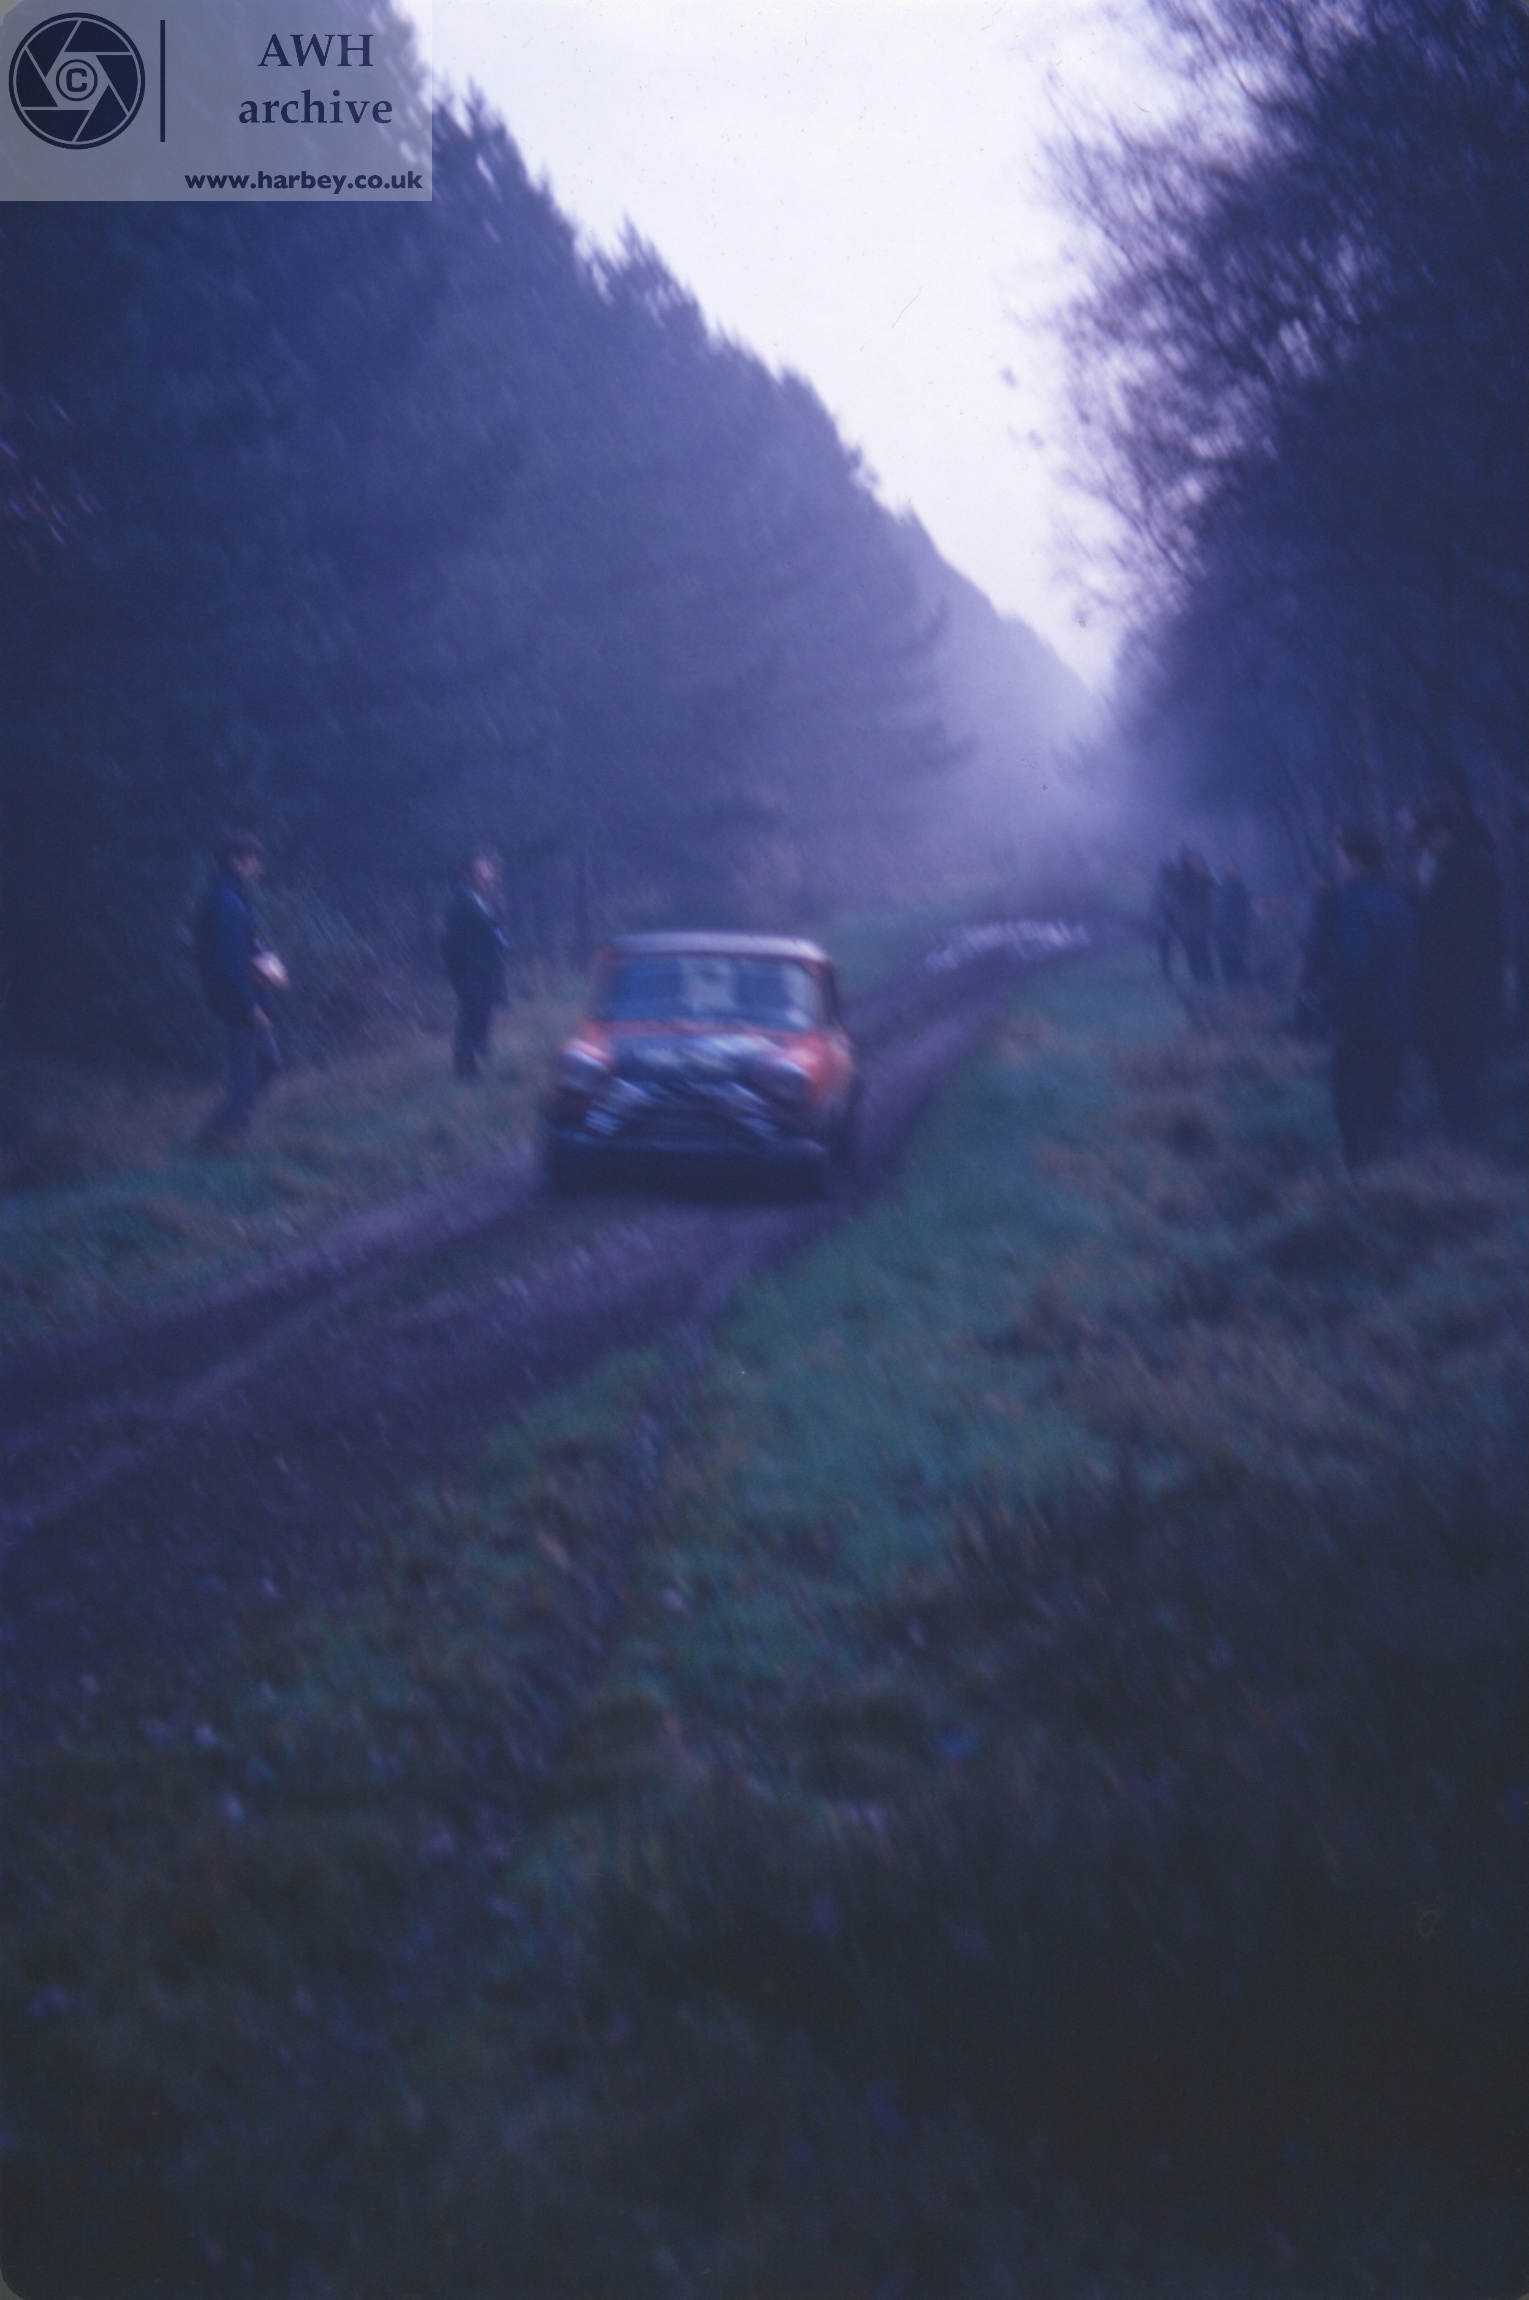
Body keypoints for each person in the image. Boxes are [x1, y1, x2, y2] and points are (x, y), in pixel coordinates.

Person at [1415, 798, 1505, 1145]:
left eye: (1430, 834)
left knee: (1457, 1069)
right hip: (1455, 987)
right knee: (1452, 1067)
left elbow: (1461, 932)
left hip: (1459, 989)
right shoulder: (1460, 865)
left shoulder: (1467, 868)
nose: (1428, 843)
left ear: (1443, 831)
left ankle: (1463, 1147)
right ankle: (1462, 1141)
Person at [1328, 824, 1416, 1171]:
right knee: (1385, 1100)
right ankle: (1389, 1174)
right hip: (1398, 1018)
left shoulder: (1352, 902)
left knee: (1348, 1100)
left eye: (1339, 855)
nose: (1337, 863)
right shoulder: (1397, 901)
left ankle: (1359, 1177)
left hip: (1363, 1023)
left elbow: (1355, 967)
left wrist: (1339, 1024)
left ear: (1354, 860)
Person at [193, 829, 284, 1148]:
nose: (258, 866)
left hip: (246, 994)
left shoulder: (230, 896)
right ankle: (227, 1135)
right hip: (239, 999)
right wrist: (250, 1005)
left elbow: (241, 951)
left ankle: (221, 1127)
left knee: (268, 1064)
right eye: (252, 860)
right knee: (246, 1072)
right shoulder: (226, 903)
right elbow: (228, 962)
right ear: (235, 861)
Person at [441, 851, 510, 1079]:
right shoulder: (461, 904)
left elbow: (492, 931)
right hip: (470, 973)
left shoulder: (483, 901)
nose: (488, 878)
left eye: (488, 874)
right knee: (470, 1017)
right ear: (468, 876)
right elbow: (452, 943)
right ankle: (465, 1068)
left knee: (481, 1015)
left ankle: (475, 1057)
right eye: (482, 874)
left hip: (485, 972)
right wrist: (464, 971)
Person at [1177, 849, 1216, 984]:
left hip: (1201, 920)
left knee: (1202, 948)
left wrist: (1204, 874)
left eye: (1197, 861)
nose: (1195, 863)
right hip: (1187, 921)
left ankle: (1208, 977)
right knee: (1191, 949)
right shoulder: (1184, 877)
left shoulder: (1206, 876)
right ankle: (1198, 977)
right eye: (1192, 860)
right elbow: (1181, 897)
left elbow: (1214, 890)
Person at [1213, 857, 1252, 985]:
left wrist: (1236, 925)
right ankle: (1232, 985)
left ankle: (1242, 984)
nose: (1228, 869)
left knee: (1237, 955)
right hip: (1223, 927)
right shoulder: (1223, 885)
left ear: (1236, 868)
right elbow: (1219, 906)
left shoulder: (1240, 886)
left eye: (1230, 866)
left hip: (1237, 927)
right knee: (1225, 956)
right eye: (1225, 867)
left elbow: (1243, 908)